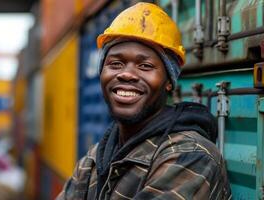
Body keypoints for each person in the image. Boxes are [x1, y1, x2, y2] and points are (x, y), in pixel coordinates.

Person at [57, 2, 231, 200]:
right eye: (116, 63)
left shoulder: (191, 156)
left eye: (145, 66)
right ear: (101, 73)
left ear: (168, 82)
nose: (127, 74)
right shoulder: (96, 158)